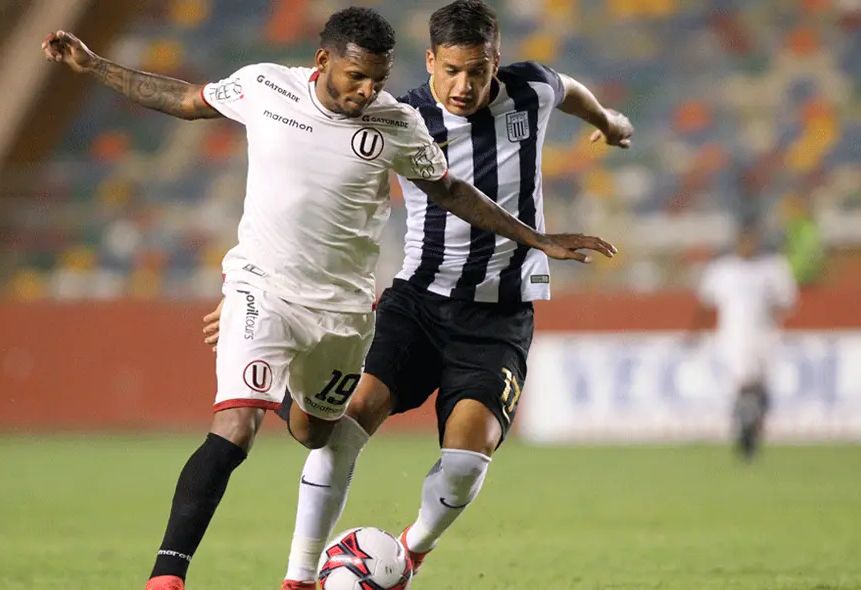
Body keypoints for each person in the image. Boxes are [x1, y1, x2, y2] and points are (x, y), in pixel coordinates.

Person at [42, 6, 616, 590]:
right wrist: (93, 66)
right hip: (337, 294)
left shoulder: (400, 121)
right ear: (323, 62)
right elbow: (184, 98)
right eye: (356, 78)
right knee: (243, 426)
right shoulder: (266, 86)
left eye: (376, 81)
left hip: (368, 313)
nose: (368, 91)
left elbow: (452, 189)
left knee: (328, 434)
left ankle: (405, 541)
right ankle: (252, 578)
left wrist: (547, 226)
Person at [203, 2, 630, 588]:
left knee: (464, 464)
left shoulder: (531, 89)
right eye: (451, 69)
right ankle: (299, 577)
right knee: (346, 420)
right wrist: (250, 287)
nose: (463, 85)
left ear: (496, 62)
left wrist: (606, 121)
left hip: (498, 317)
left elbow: (570, 89)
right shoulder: (394, 116)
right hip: (416, 302)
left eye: (477, 71)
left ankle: (409, 552)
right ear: (430, 60)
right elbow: (311, 198)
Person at [690, 224, 798, 461]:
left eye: (752, 240)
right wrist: (695, 332)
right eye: (744, 241)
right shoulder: (723, 270)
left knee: (761, 389)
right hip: (734, 338)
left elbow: (787, 302)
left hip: (766, 337)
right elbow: (706, 304)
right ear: (737, 242)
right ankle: (744, 433)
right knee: (743, 385)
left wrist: (772, 311)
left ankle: (752, 428)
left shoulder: (773, 269)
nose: (749, 246)